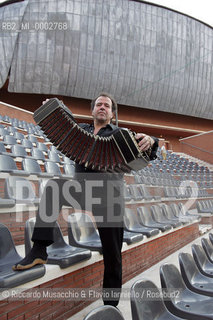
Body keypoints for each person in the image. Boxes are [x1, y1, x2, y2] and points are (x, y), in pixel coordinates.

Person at [13, 93, 158, 307]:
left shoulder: (122, 134)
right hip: (82, 190)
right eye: (98, 104)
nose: (102, 107)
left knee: (113, 255)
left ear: (111, 113)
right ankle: (39, 250)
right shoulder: (80, 130)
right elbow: (61, 120)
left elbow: (147, 153)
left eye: (106, 106)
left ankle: (110, 306)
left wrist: (152, 141)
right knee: (54, 186)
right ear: (92, 110)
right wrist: (52, 108)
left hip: (110, 197)